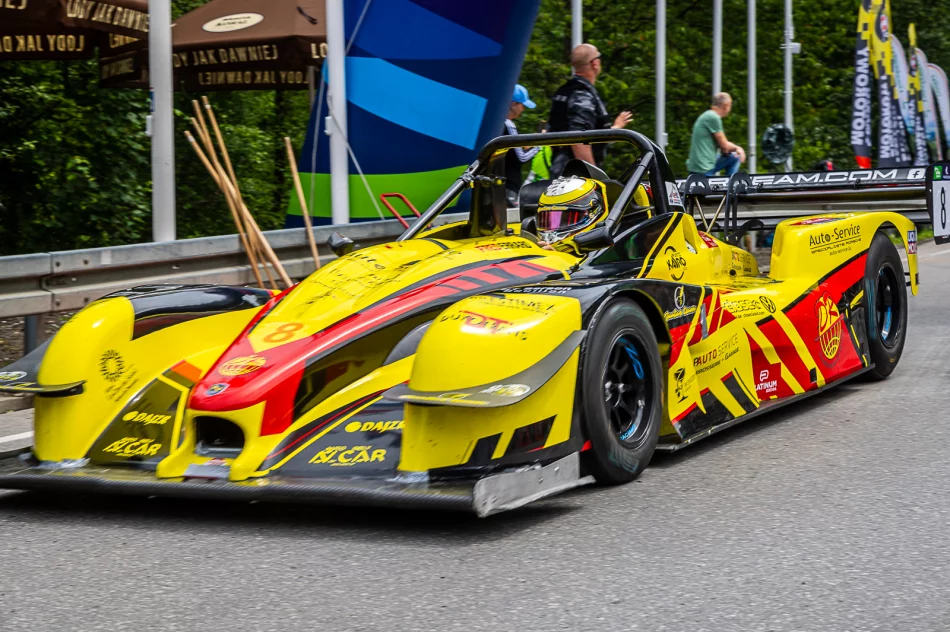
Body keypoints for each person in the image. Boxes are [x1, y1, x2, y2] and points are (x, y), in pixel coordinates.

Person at [548, 44, 633, 178]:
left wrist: (616, 127)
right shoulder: (582, 94)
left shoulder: (564, 91)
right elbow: (578, 139)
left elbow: (588, 135)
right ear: (595, 63)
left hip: (560, 171)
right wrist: (594, 177)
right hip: (575, 178)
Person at [686, 92, 746, 176]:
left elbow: (722, 146)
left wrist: (732, 148)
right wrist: (738, 148)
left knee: (730, 156)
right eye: (730, 105)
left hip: (696, 165)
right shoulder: (713, 117)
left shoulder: (707, 115)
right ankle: (731, 183)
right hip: (703, 167)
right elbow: (724, 146)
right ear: (726, 105)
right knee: (736, 157)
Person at [502, 84, 540, 205]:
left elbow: (511, 154)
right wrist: (539, 144)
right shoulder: (509, 125)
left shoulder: (497, 123)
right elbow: (522, 158)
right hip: (508, 185)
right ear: (514, 104)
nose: (523, 109)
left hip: (496, 182)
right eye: (522, 105)